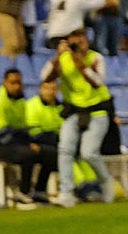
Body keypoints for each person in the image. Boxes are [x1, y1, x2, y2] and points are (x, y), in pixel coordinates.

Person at [41, 27, 115, 207]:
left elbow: (98, 82)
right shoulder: (63, 59)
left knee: (88, 153)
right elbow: (45, 78)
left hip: (97, 110)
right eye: (73, 43)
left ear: (87, 42)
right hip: (74, 110)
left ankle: (105, 181)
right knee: (65, 149)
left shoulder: (96, 58)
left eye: (81, 42)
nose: (77, 46)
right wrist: (58, 56)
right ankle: (66, 192)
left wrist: (80, 63)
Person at [0, 69, 57, 207]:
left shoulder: (20, 102)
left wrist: (30, 142)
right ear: (5, 83)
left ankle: (39, 191)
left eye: (19, 82)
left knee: (50, 153)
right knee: (28, 153)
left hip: (13, 143)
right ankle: (23, 193)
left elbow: (23, 129)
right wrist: (27, 145)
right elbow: (2, 135)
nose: (16, 86)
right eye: (12, 83)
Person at [24, 78, 64, 201]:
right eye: (47, 88)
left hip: (55, 142)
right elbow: (32, 130)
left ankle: (83, 185)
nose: (50, 92)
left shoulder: (61, 107)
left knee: (65, 151)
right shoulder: (32, 105)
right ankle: (35, 190)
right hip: (36, 141)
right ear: (40, 89)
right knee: (52, 154)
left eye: (53, 89)